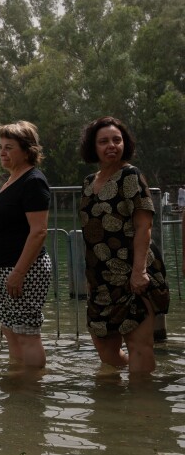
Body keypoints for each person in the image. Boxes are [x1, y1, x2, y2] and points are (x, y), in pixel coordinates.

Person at [79, 116, 169, 373]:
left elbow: (144, 226)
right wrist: (90, 276)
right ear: (93, 147)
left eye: (116, 140)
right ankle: (117, 401)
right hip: (101, 276)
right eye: (103, 141)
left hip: (133, 272)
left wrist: (139, 271)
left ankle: (144, 406)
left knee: (139, 344)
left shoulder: (131, 175)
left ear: (124, 144)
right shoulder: (88, 182)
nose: (111, 146)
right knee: (104, 346)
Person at [0, 121, 51, 368]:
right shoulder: (13, 179)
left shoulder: (33, 181)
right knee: (10, 330)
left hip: (24, 270)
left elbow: (38, 231)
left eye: (9, 147)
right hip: (6, 270)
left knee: (26, 334)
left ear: (27, 150)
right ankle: (18, 385)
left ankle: (33, 389)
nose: (2, 152)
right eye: (0, 147)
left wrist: (18, 272)